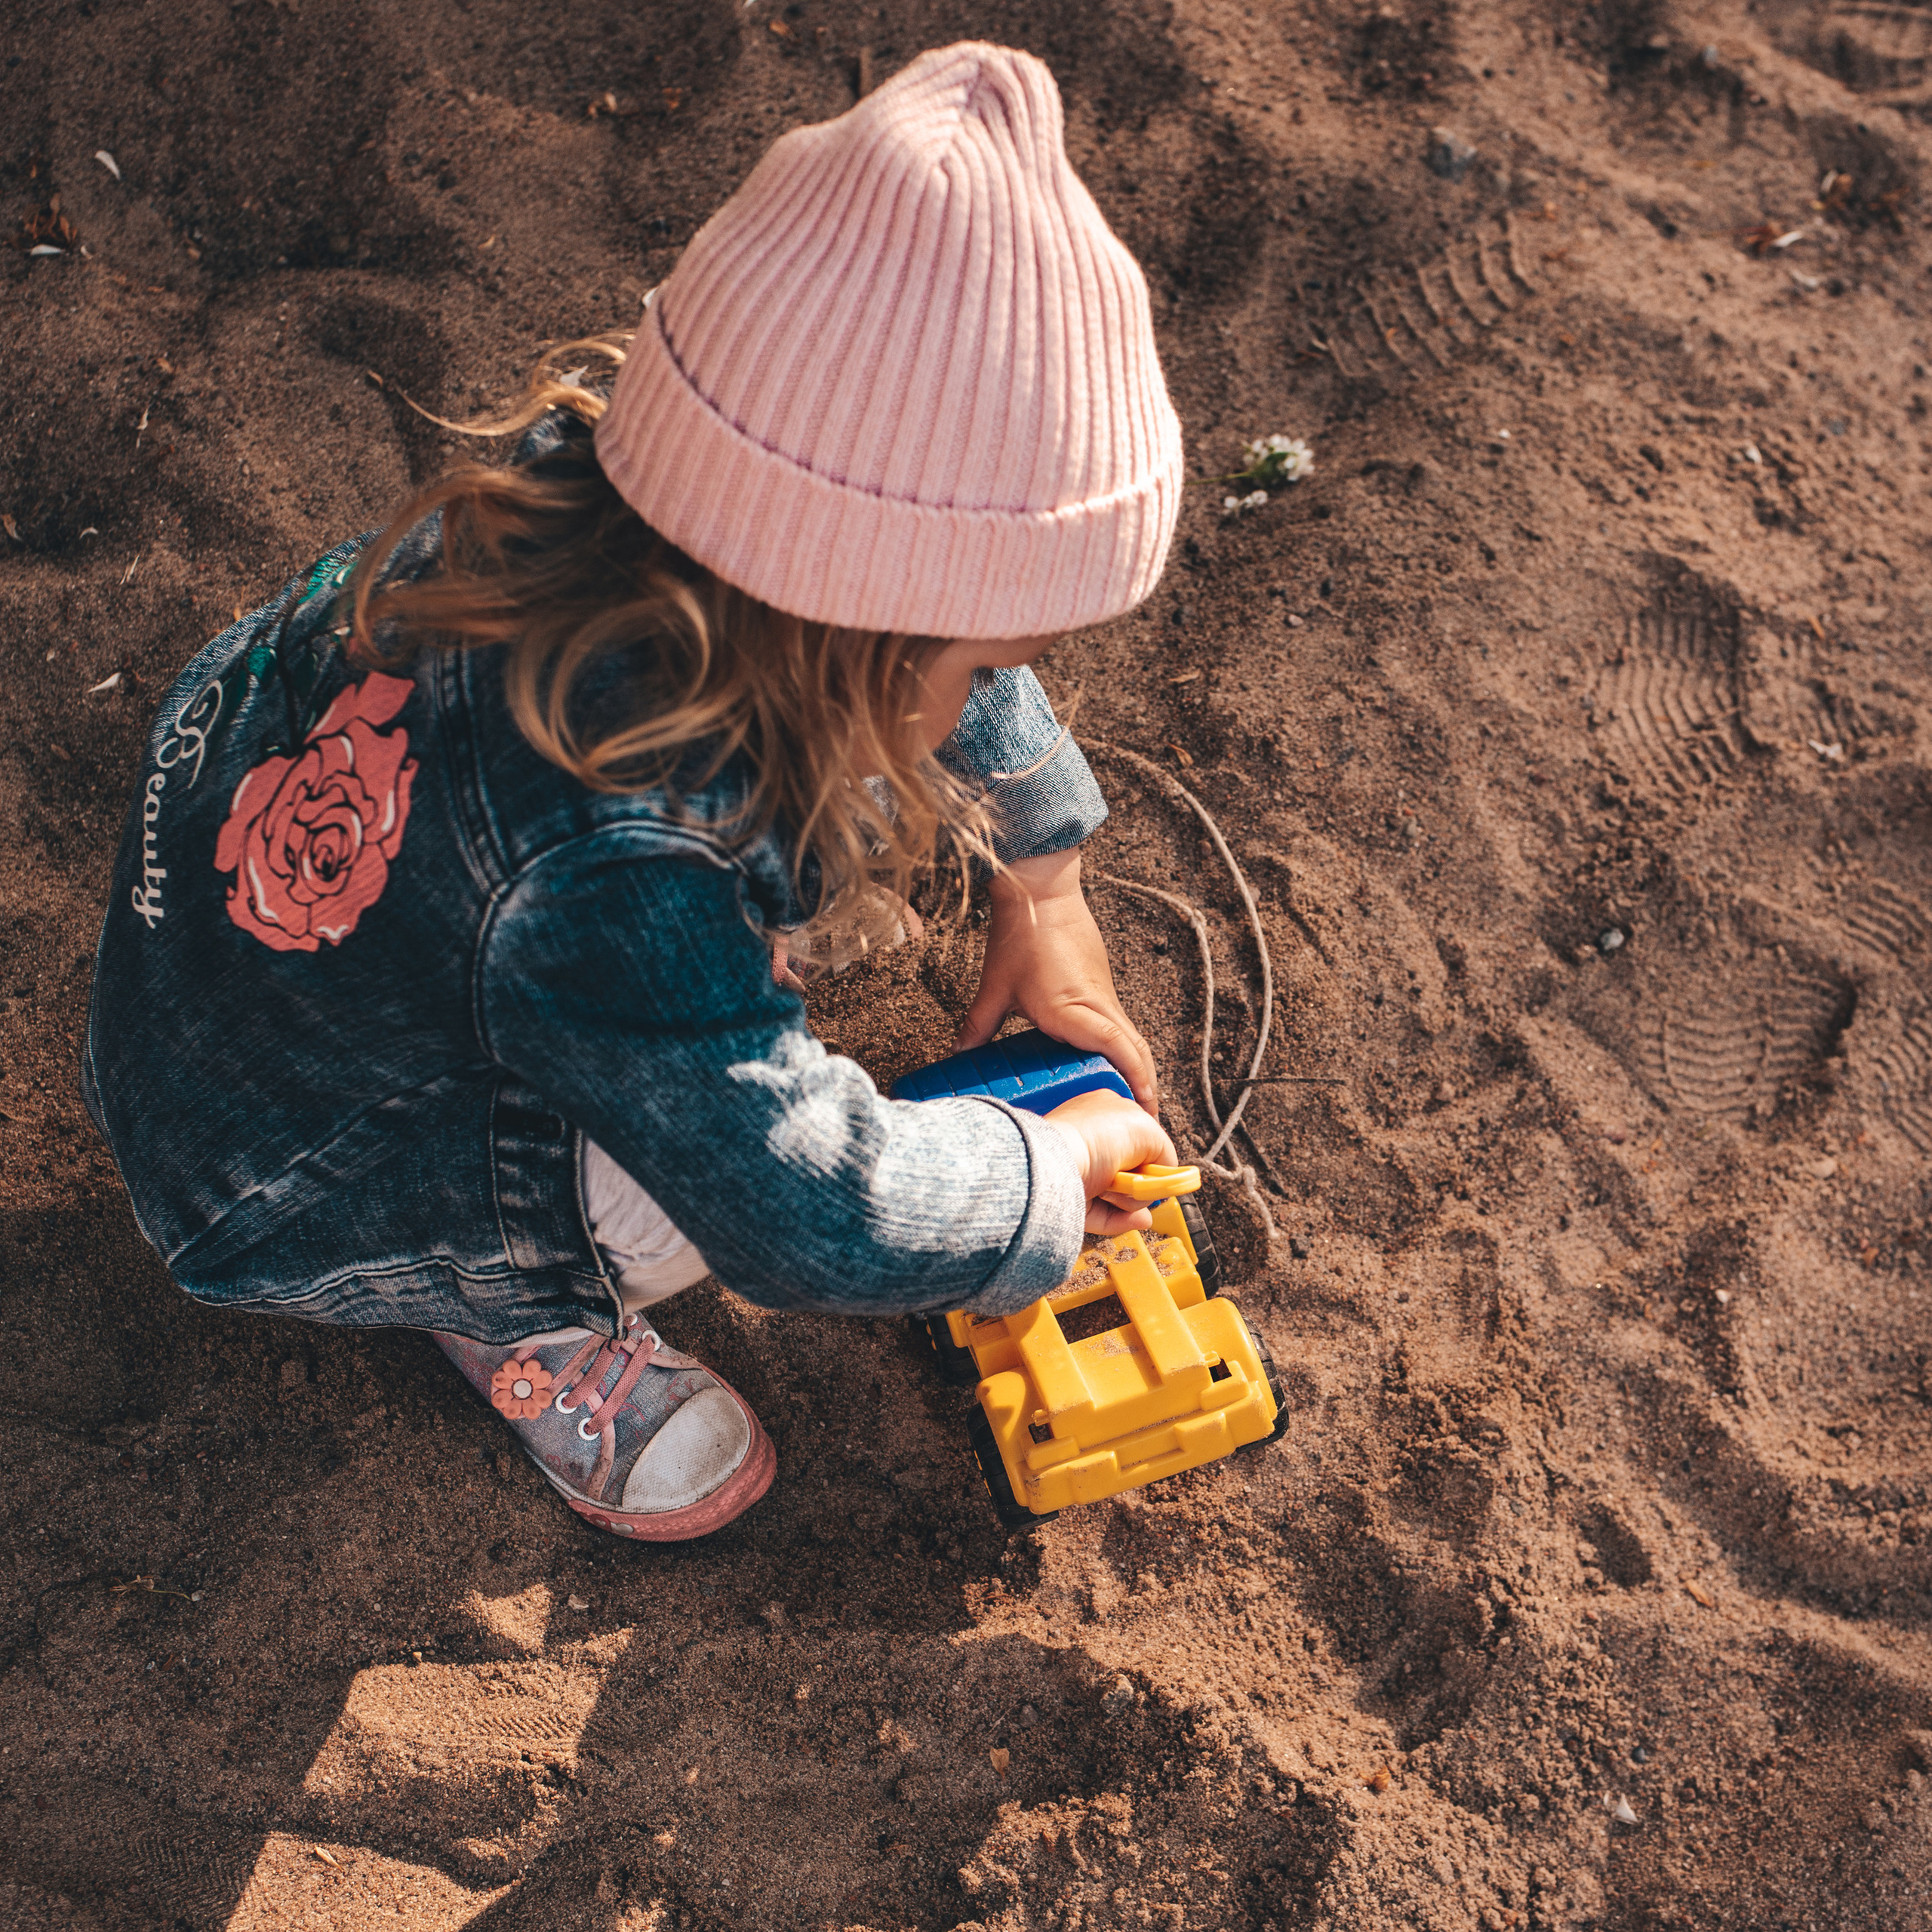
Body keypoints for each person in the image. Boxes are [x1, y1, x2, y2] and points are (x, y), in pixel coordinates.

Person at [83, 42, 1185, 1541]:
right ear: (856, 622)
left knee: (625, 952)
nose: (993, 684)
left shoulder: (617, 495)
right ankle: (514, 1311)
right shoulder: (628, 861)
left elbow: (922, 596)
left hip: (224, 955)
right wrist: (1032, 1176)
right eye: (988, 658)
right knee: (686, 1155)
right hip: (284, 1169)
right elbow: (804, 1210)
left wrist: (1039, 873)